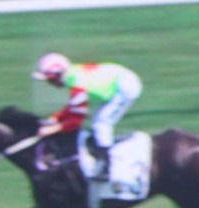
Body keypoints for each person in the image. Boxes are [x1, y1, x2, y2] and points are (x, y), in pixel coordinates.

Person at [32, 52, 147, 199]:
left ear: (58, 75)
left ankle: (106, 166)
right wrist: (55, 118)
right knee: (96, 121)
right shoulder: (72, 77)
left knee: (101, 123)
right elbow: (73, 108)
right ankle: (100, 151)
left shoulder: (77, 85)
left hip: (125, 87)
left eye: (50, 80)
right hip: (114, 82)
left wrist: (52, 129)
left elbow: (75, 122)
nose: (49, 83)